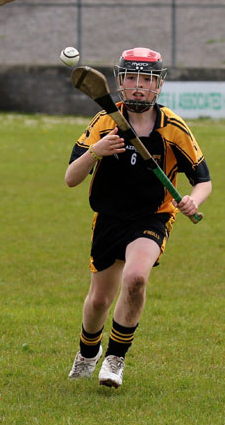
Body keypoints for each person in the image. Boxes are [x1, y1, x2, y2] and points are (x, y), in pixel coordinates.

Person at [65, 47, 212, 388]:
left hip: (153, 216)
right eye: (131, 78)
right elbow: (71, 178)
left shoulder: (172, 128)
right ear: (119, 82)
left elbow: (202, 180)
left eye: (146, 79)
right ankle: (88, 353)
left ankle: (115, 359)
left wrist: (192, 199)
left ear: (158, 85)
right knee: (99, 299)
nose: (138, 86)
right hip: (109, 218)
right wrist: (95, 152)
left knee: (135, 279)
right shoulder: (105, 121)